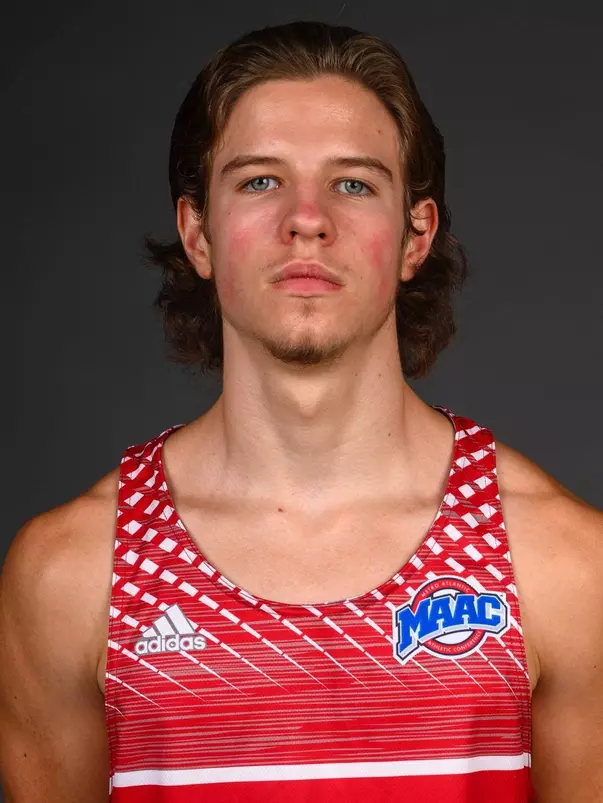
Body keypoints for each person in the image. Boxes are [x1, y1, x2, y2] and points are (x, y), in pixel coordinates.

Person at [1, 19, 601, 803]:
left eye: (353, 182)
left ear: (415, 234)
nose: (306, 218)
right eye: (259, 180)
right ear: (198, 233)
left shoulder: (561, 566)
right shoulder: (69, 574)